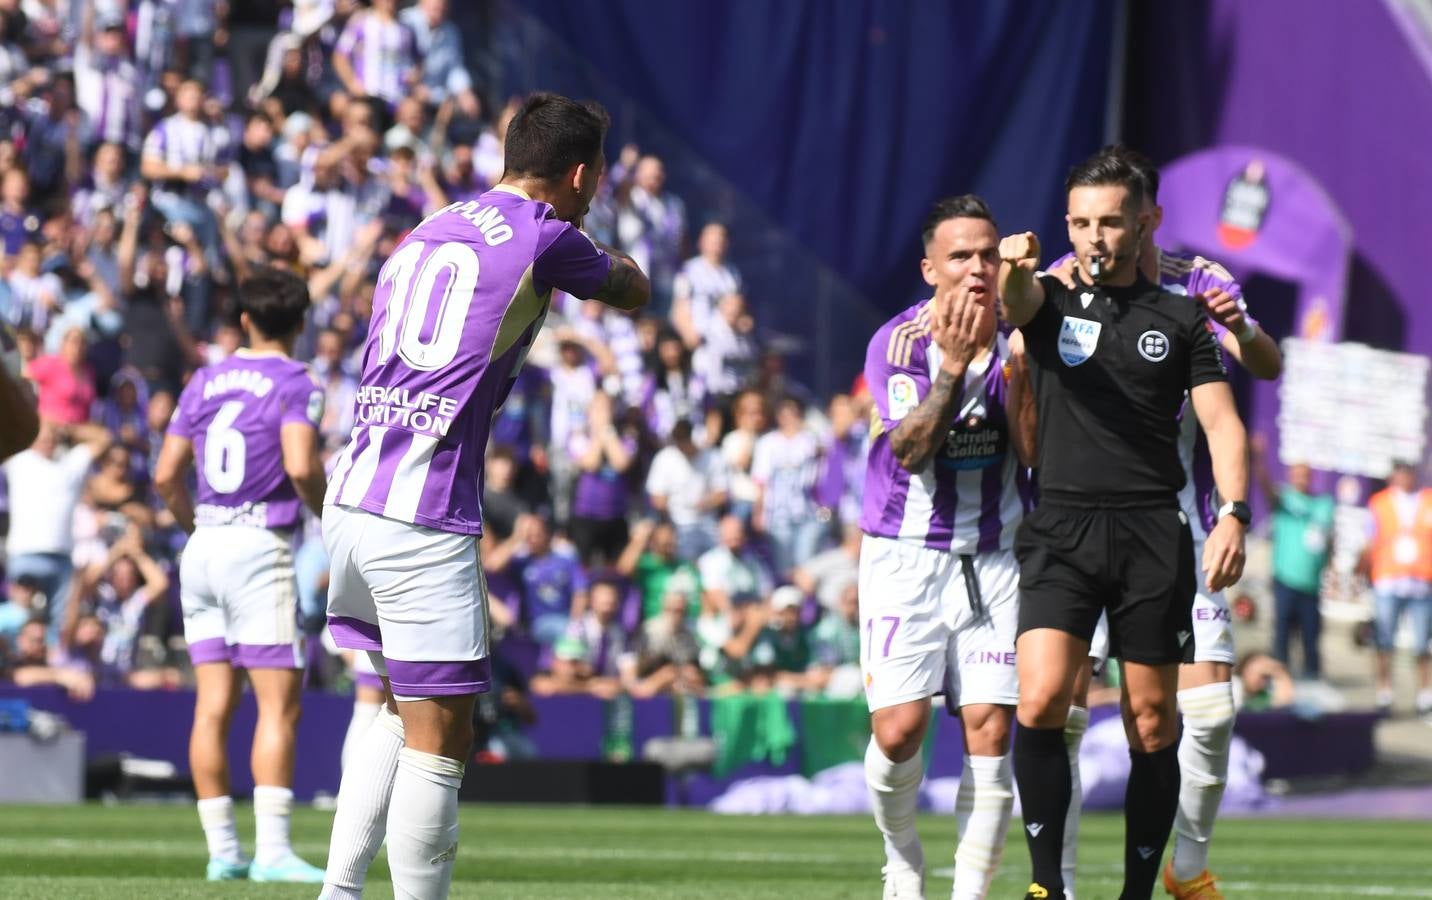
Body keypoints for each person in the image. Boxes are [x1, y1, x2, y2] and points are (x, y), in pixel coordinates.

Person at [317, 92, 648, 900]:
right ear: (578, 175)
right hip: (422, 513)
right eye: (596, 177)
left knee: (395, 703)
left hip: (354, 491)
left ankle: (339, 892)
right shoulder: (547, 234)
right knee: (443, 735)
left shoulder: (425, 229)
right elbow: (631, 290)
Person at [998, 150, 1249, 900]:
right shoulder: (1044, 298)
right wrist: (1015, 268)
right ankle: (1046, 885)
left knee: (1150, 722)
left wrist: (1233, 511)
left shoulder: (1179, 318)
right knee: (1041, 699)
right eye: (1080, 221)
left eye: (1109, 221)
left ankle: (1139, 891)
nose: (1093, 236)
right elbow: (1012, 308)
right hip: (1061, 530)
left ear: (1148, 223)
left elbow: (1223, 424)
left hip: (1150, 533)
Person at [858, 195, 1035, 900]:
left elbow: (1034, 452)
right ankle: (902, 858)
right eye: (960, 256)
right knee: (900, 733)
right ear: (931, 268)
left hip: (995, 554)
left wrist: (1023, 367)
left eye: (988, 254)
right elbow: (909, 450)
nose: (977, 269)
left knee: (990, 730)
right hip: (904, 555)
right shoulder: (897, 344)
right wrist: (955, 369)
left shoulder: (1023, 337)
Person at [153, 267, 329, 883]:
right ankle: (273, 852)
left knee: (212, 706)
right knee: (278, 708)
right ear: (301, 323)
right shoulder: (296, 380)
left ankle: (223, 851)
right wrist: (330, 516)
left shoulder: (204, 380)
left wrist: (196, 527)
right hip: (259, 546)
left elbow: (164, 473)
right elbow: (301, 464)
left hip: (204, 545)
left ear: (244, 320)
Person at [1250, 435, 1335, 684]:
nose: (1301, 477)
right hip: (1285, 581)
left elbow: (1329, 541)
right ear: (1290, 475)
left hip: (1311, 584)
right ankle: (1280, 686)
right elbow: (1266, 487)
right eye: (1297, 473)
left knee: (1311, 639)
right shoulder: (1284, 499)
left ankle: (1312, 685)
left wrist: (1330, 570)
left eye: (1305, 473)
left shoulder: (1323, 504)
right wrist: (1259, 459)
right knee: (1282, 638)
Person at [1360, 461, 1432, 714]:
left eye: (1410, 472)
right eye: (1401, 472)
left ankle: (1425, 695)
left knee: (1422, 644)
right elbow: (1370, 542)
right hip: (1388, 582)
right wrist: (1363, 574)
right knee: (1384, 642)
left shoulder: (1427, 500)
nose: (1406, 477)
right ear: (1393, 475)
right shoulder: (1379, 503)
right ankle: (1384, 693)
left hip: (1421, 585)